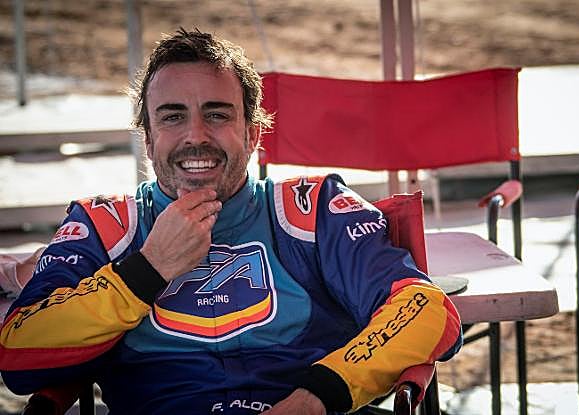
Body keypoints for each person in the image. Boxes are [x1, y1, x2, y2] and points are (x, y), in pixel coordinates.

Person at [0, 28, 462, 415]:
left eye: (217, 114)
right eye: (172, 117)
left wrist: (317, 397)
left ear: (253, 133)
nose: (195, 136)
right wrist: (145, 270)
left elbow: (427, 308)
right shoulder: (104, 224)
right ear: (149, 139)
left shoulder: (313, 208)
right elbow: (18, 351)